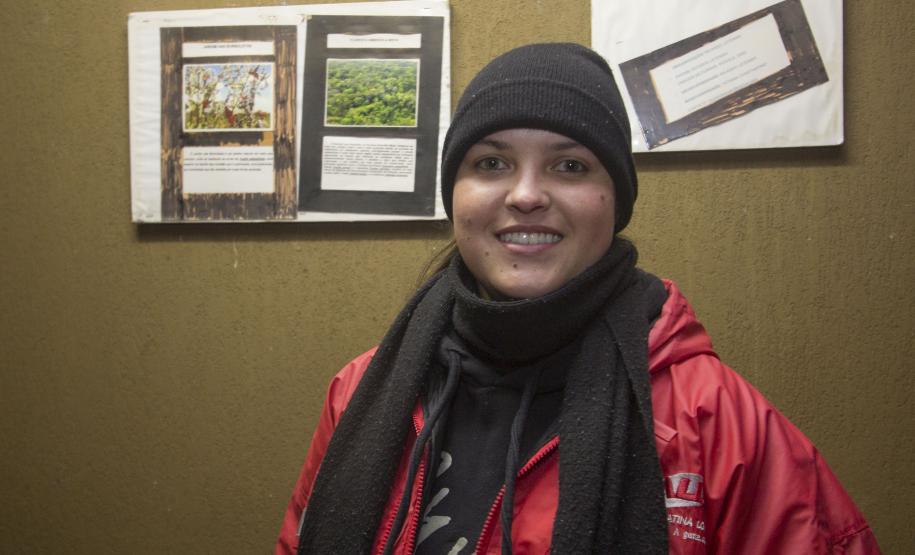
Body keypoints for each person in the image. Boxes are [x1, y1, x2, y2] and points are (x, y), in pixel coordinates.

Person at [277, 43, 879, 554]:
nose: (527, 195)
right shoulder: (360, 392)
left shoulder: (716, 424)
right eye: (491, 162)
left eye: (569, 165)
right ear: (454, 197)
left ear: (614, 200)